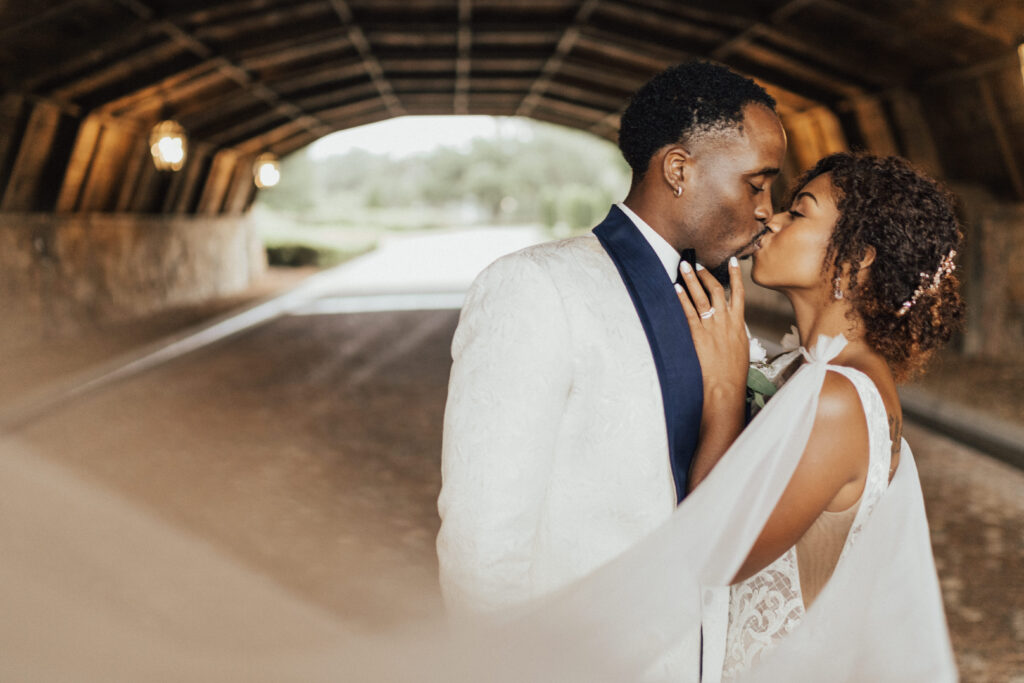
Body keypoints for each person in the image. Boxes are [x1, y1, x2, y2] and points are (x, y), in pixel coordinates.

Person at [436, 60, 786, 677]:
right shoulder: (537, 287)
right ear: (679, 170)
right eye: (757, 184)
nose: (767, 209)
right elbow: (482, 548)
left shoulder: (715, 305)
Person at [672, 152, 962, 681]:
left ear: (857, 259)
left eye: (799, 212)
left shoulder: (837, 397)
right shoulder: (811, 371)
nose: (771, 218)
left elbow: (716, 555)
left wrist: (723, 385)